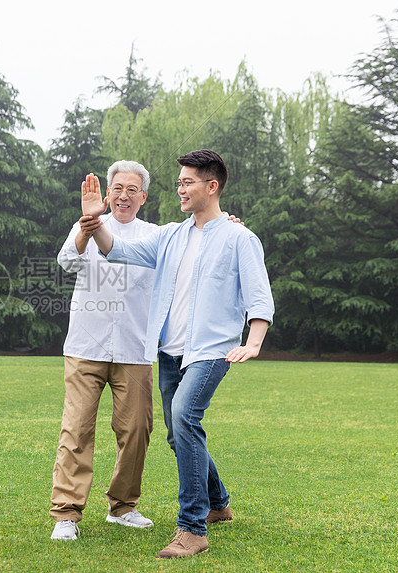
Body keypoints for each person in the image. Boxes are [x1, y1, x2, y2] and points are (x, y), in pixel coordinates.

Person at [79, 149, 274, 558]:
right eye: (180, 182)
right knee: (178, 433)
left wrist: (253, 341)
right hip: (169, 352)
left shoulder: (240, 237)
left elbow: (259, 295)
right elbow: (117, 249)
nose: (181, 188)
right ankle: (218, 502)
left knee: (185, 418)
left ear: (212, 186)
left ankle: (192, 527)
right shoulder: (170, 235)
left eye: (188, 182)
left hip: (212, 350)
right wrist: (95, 221)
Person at [49, 160, 157, 541]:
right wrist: (87, 226)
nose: (123, 195)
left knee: (137, 429)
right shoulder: (85, 225)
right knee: (76, 429)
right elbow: (67, 261)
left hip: (135, 349)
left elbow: (195, 246)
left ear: (143, 196)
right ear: (106, 193)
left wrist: (229, 224)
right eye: (117, 188)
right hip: (85, 346)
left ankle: (123, 506)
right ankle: (66, 513)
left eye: (132, 189)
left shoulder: (157, 235)